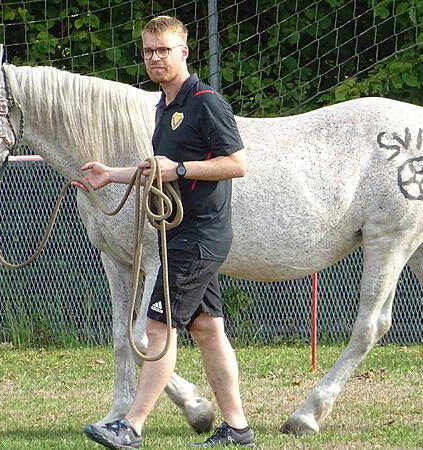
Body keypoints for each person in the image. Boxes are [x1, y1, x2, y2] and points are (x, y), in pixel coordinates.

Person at [78, 15, 254, 449]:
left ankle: (131, 427)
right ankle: (238, 429)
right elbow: (157, 170)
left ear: (183, 52)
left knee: (157, 330)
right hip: (182, 234)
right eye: (149, 51)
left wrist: (177, 168)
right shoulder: (165, 106)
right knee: (208, 330)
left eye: (164, 50)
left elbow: (237, 164)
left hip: (200, 236)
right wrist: (110, 175)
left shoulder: (206, 101)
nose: (155, 58)